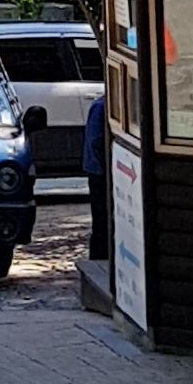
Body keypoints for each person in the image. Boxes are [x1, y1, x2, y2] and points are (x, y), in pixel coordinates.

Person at [84, 93, 112, 260]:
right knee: (101, 220)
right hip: (99, 171)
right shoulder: (101, 107)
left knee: (102, 220)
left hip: (98, 169)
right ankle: (98, 258)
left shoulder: (101, 106)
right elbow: (96, 142)